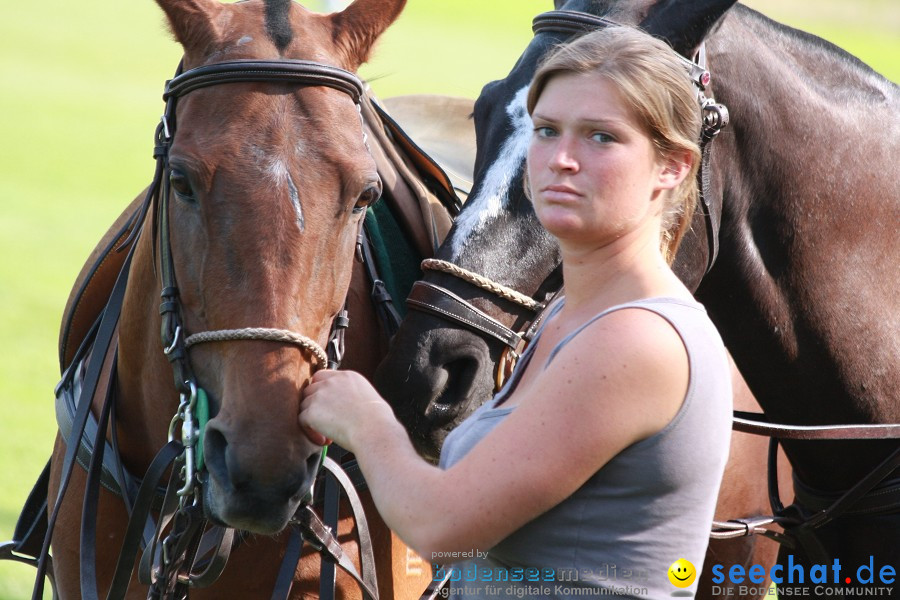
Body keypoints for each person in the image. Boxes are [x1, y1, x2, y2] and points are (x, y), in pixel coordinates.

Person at [300, 26, 732, 599]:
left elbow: (443, 529)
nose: (563, 159)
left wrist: (364, 420)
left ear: (673, 167)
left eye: (601, 137)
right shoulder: (566, 315)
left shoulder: (637, 340)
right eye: (547, 130)